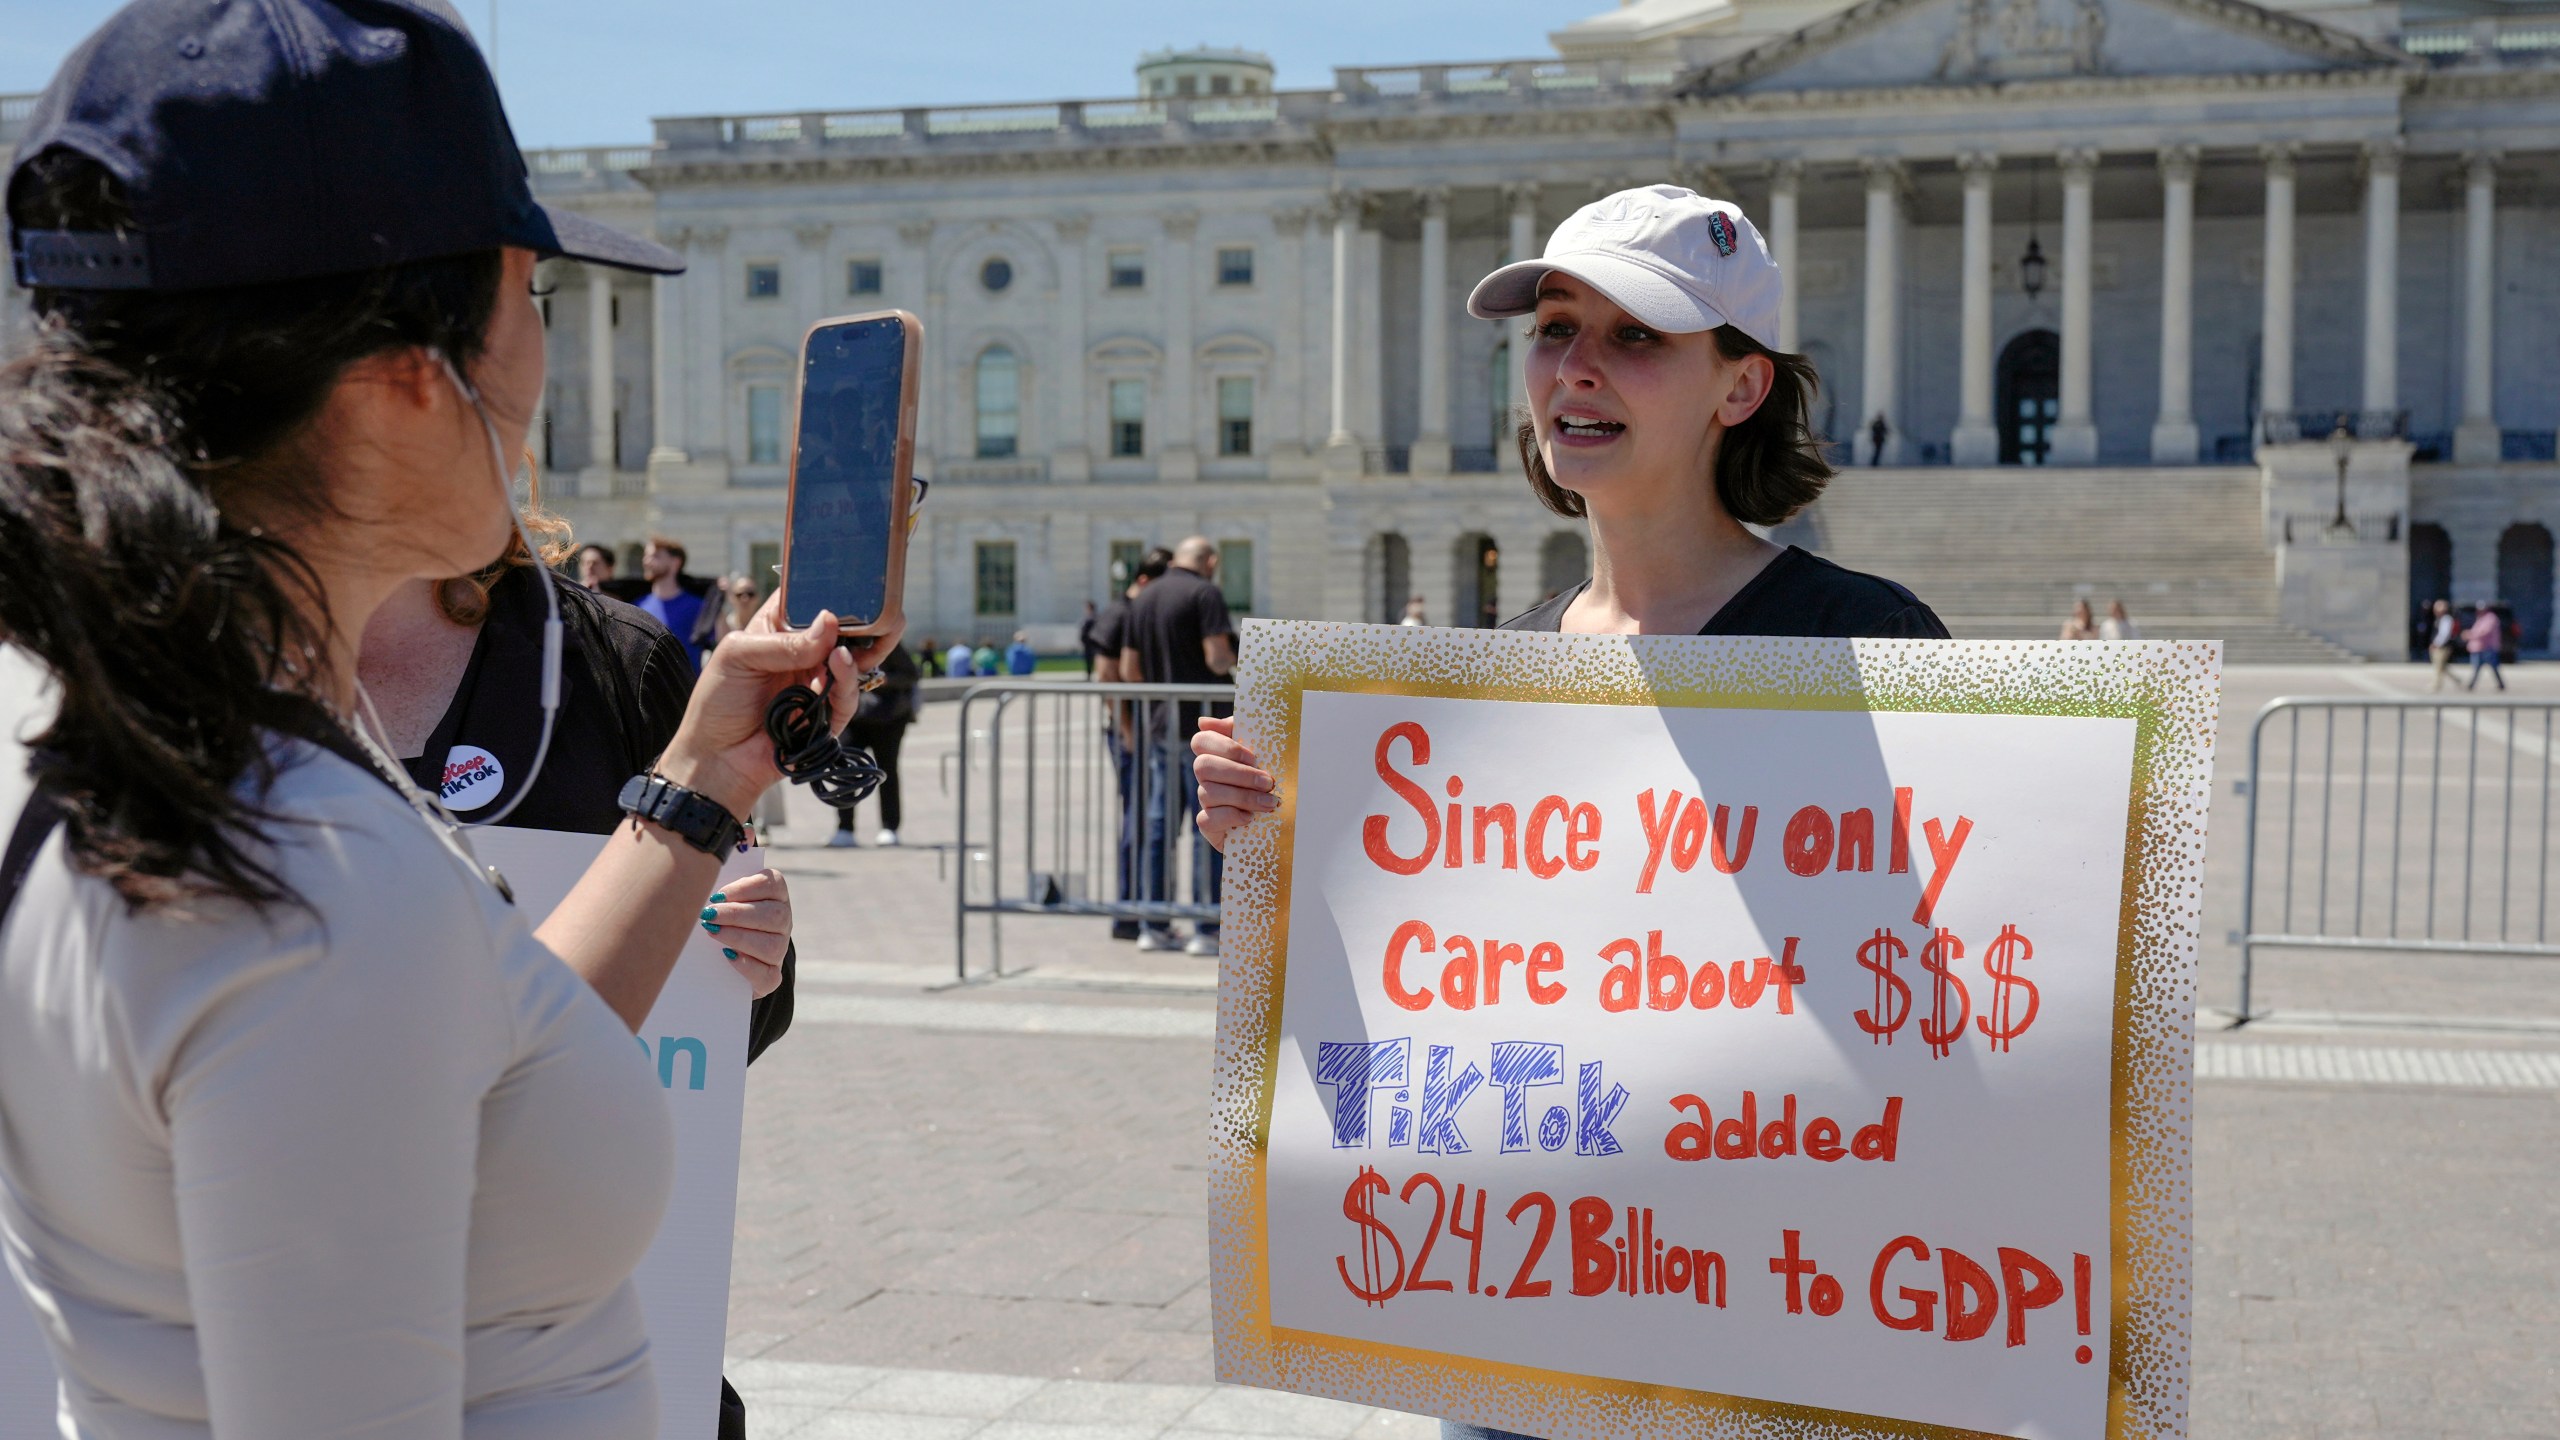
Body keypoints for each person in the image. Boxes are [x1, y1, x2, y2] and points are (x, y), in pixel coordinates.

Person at [0, 3, 895, 1434]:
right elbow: (356, 994)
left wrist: (695, 785)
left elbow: (441, 1080)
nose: (547, 361)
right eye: (530, 299)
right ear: (414, 379)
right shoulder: (314, 878)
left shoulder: (108, 714)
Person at [1187, 187, 1943, 1440]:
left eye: (1636, 336)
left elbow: (1943, 983)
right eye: (1551, 327)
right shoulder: (1501, 666)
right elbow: (1452, 980)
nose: (1574, 369)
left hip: (1774, 1304)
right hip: (1525, 1306)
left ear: (1738, 388)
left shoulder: (1865, 638)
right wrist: (1281, 851)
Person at [356, 514, 799, 1440]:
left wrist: (748, 963)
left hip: (582, 1324)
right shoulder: (179, 667)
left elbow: (723, 1023)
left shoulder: (613, 661)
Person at [1121, 535, 1238, 956]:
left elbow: (1129, 668)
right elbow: (1217, 658)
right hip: (1203, 726)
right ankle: (1206, 927)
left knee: (1158, 825)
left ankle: (1153, 923)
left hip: (1159, 722)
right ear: (1210, 561)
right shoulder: (1205, 593)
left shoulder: (1144, 597)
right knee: (1208, 822)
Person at [1092, 548, 1172, 940]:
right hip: (1131, 731)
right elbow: (1106, 674)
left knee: (1143, 820)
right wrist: (1127, 728)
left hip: (1141, 729)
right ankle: (1129, 912)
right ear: (1143, 581)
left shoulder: (1135, 611)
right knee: (1138, 822)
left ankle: (1137, 912)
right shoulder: (1121, 613)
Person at [833, 639, 920, 848]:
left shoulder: (887, 643)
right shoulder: (842, 645)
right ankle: (845, 828)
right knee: (845, 770)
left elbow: (910, 676)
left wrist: (879, 681)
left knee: (886, 770)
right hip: (853, 718)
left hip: (888, 718)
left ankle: (889, 827)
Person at [634, 535, 722, 672]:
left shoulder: (697, 606)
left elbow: (722, 643)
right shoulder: (637, 606)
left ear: (675, 562)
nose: (646, 561)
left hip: (687, 690)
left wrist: (718, 599)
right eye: (645, 556)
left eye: (655, 556)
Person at [713, 572, 762, 649]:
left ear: (758, 598)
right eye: (739, 595)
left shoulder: (764, 625)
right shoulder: (726, 625)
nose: (745, 599)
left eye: (750, 594)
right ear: (731, 598)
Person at [2466, 601, 2506, 690]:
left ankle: (2500, 684)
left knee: (2493, 667)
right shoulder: (2480, 618)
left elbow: (2485, 632)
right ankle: (2471, 684)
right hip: (2478, 647)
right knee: (2476, 667)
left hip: (2488, 647)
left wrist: (2470, 635)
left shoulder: (2491, 618)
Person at [2427, 599, 2458, 689]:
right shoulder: (2438, 619)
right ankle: (2457, 680)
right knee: (2443, 667)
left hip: (2443, 647)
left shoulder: (2446, 619)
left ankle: (2436, 685)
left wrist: (2436, 644)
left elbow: (2444, 634)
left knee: (2438, 667)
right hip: (2439, 646)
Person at [1079, 598, 1103, 676]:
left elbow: (1085, 632)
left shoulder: (1090, 619)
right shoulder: (1097, 617)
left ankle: (1090, 673)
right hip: (1093, 642)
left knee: (1090, 659)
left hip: (1089, 643)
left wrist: (1084, 640)